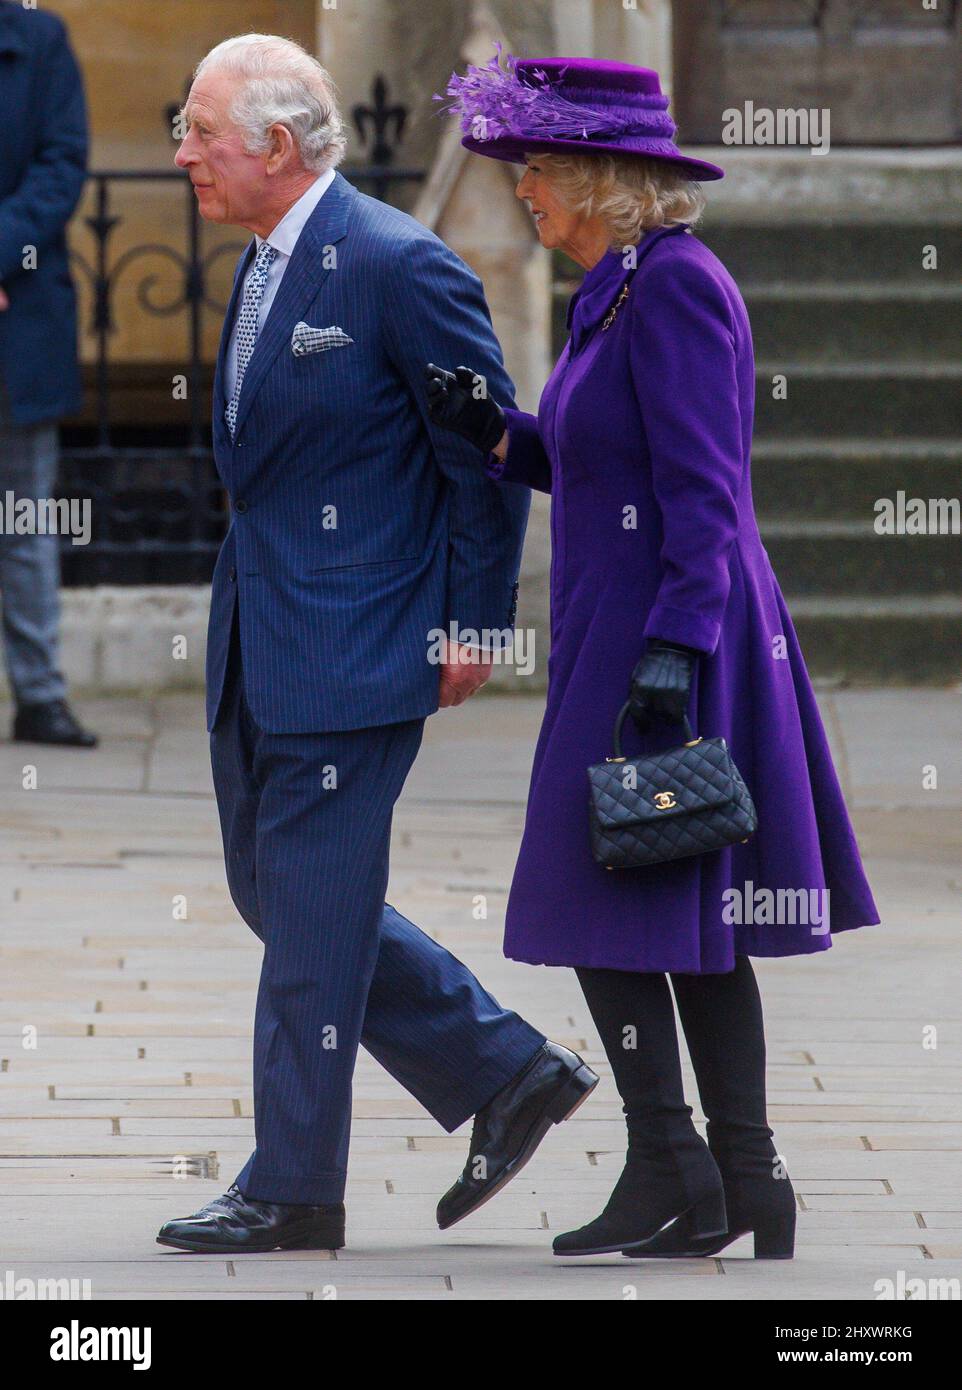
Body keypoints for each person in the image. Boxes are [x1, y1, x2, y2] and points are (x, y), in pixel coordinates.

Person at [426, 53, 880, 1259]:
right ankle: (727, 1174)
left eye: (535, 170)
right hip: (619, 626)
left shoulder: (676, 287)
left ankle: (690, 1162)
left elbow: (702, 488)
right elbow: (597, 458)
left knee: (609, 896)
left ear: (595, 178)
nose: (523, 191)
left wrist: (676, 647)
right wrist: (494, 434)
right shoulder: (614, 290)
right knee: (673, 909)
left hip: (672, 631)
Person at [155, 34, 598, 1256]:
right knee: (279, 894)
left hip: (357, 645)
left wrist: (473, 619)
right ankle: (506, 1069)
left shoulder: (401, 265)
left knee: (307, 921)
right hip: (262, 633)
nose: (182, 154)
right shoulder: (264, 259)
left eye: (199, 132)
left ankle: (294, 1187)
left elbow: (485, 454)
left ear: (274, 146)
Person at [0, 0, 96, 747]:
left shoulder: (38, 39)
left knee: (24, 519)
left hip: (19, 315)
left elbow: (61, 164)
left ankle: (38, 695)